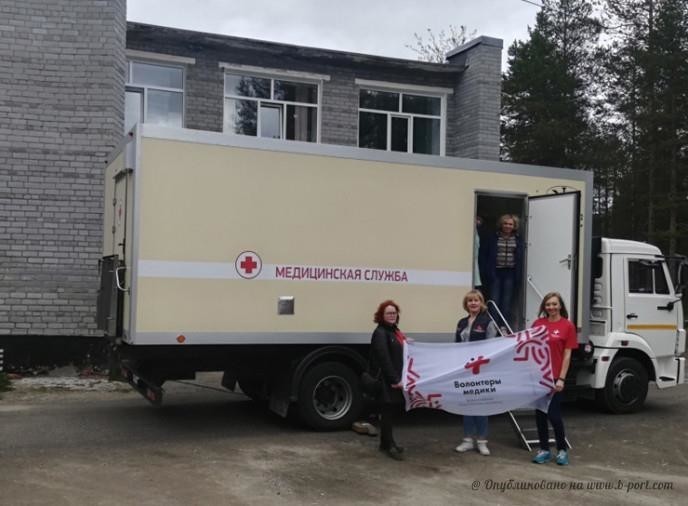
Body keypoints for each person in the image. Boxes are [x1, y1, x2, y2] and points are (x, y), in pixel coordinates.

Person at [531, 292, 578, 465]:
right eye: (548, 304)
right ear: (544, 307)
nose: (551, 307)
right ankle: (544, 449)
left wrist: (561, 379)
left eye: (554, 304)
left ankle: (562, 450)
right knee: (540, 415)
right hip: (539, 377)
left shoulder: (567, 326)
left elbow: (567, 355)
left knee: (554, 415)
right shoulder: (538, 324)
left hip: (555, 377)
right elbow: (529, 347)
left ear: (560, 306)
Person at [454, 290, 499, 456]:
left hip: (481, 370)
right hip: (465, 370)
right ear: (466, 304)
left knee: (481, 405)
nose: (473, 303)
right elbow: (456, 346)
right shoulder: (461, 322)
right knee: (467, 404)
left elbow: (492, 348)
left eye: (476, 300)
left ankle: (482, 441)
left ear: (481, 303)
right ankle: (467, 440)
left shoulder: (488, 322)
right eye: (470, 301)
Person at [370, 299, 407, 461]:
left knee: (389, 411)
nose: (392, 315)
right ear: (381, 315)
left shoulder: (394, 331)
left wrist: (407, 344)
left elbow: (398, 349)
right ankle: (390, 444)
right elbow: (384, 359)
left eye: (394, 313)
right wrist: (394, 379)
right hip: (386, 380)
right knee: (387, 412)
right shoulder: (380, 333)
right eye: (388, 313)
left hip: (392, 378)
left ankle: (385, 443)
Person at [485, 214, 524, 328]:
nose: (508, 226)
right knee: (494, 301)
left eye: (510, 224)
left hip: (510, 273)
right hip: (496, 272)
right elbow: (486, 255)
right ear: (501, 224)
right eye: (505, 223)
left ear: (514, 226)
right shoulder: (493, 237)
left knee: (506, 302)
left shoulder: (517, 239)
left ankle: (503, 327)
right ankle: (493, 327)